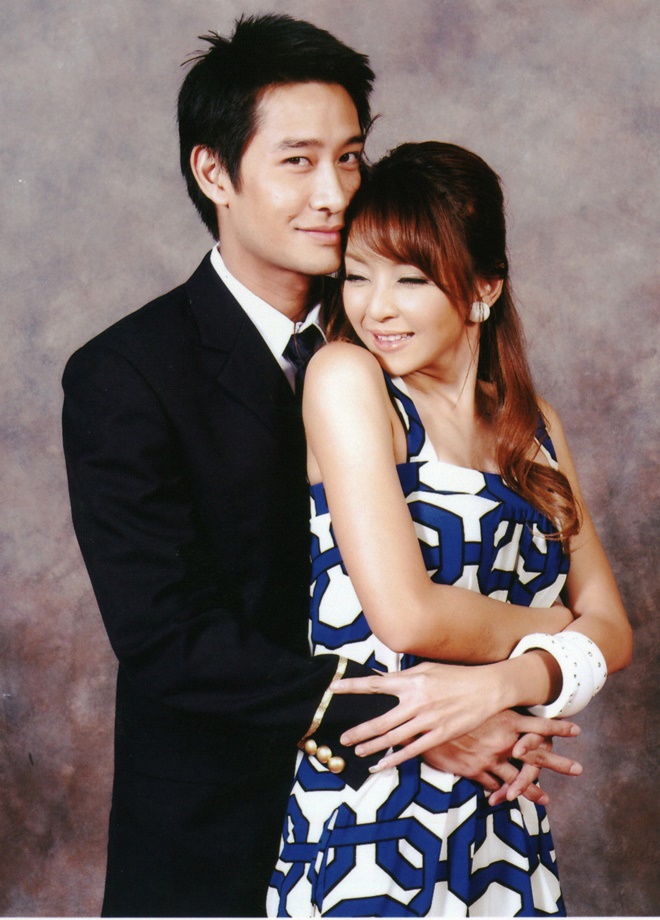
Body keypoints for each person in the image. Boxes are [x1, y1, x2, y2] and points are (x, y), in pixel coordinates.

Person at [62, 14, 584, 917]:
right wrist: (410, 724)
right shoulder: (127, 373)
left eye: (349, 157)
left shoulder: (403, 340)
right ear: (214, 173)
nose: (336, 193)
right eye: (298, 161)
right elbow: (168, 637)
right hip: (221, 833)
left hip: (413, 830)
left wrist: (506, 686)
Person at [267, 142, 632, 917]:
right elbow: (408, 616)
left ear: (483, 288)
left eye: (410, 279)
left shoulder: (535, 428)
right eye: (357, 276)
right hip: (371, 814)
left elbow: (616, 631)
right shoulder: (348, 379)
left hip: (503, 811)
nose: (376, 308)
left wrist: (506, 684)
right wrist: (558, 633)